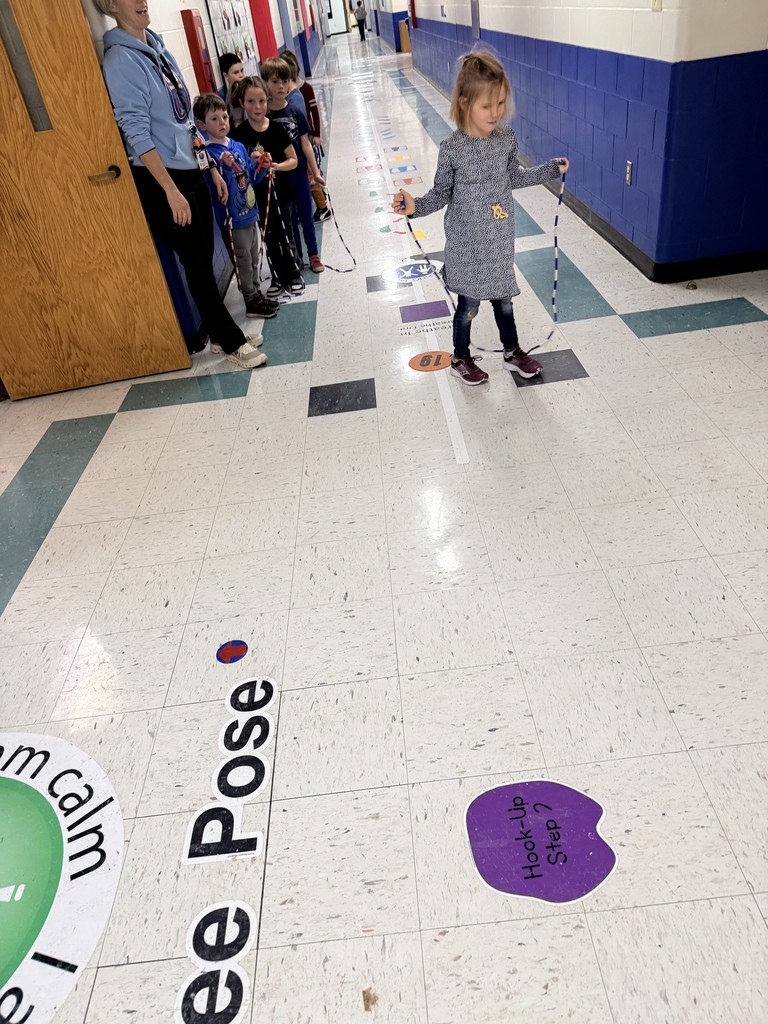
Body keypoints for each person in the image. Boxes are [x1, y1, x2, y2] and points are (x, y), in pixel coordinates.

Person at [96, 0, 266, 369]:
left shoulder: (158, 48)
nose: (142, 2)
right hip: (161, 178)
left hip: (192, 169)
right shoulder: (121, 61)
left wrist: (212, 167)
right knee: (196, 263)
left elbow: (186, 119)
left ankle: (222, 336)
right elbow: (135, 132)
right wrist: (170, 190)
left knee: (202, 256)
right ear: (110, 5)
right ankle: (232, 341)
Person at [392, 51, 568, 386]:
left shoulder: (505, 140)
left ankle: (512, 351)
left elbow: (513, 178)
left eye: (500, 103)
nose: (496, 113)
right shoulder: (453, 150)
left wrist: (548, 170)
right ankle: (460, 357)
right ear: (464, 103)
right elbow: (440, 194)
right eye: (486, 106)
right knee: (468, 307)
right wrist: (414, 206)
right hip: (466, 247)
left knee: (504, 303)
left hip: (499, 243)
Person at [193, 92, 279, 323]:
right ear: (201, 125)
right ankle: (250, 300)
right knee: (242, 261)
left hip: (250, 214)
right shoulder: (208, 155)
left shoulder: (238, 146)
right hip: (233, 220)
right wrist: (224, 166)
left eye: (224, 117)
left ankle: (257, 293)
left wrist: (261, 164)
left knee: (253, 257)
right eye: (214, 119)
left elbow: (252, 176)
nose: (222, 122)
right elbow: (213, 186)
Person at [232, 77, 304, 298]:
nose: (257, 107)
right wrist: (252, 164)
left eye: (262, 101)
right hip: (258, 197)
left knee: (286, 233)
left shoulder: (276, 129)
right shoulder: (239, 135)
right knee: (269, 236)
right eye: (251, 101)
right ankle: (277, 276)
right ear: (243, 103)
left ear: (267, 101)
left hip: (281, 193)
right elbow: (238, 168)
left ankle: (293, 273)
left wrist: (275, 166)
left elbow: (293, 160)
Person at [262, 56, 325, 274]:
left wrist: (315, 172)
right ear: (265, 83)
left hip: (298, 172)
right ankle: (295, 257)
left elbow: (305, 145)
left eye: (285, 81)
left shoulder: (295, 111)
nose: (280, 86)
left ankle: (314, 255)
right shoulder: (265, 115)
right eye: (274, 81)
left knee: (306, 215)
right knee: (289, 219)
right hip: (278, 176)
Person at [281, 50, 330, 223]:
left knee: (312, 175)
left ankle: (323, 206)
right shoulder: (288, 95)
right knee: (311, 174)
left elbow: (314, 112)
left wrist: (316, 134)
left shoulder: (301, 92)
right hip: (300, 143)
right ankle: (321, 201)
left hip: (306, 140)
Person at [217, 52, 246, 126]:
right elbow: (237, 123)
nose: (241, 75)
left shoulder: (243, 88)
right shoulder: (234, 94)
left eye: (242, 70)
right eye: (236, 73)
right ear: (226, 75)